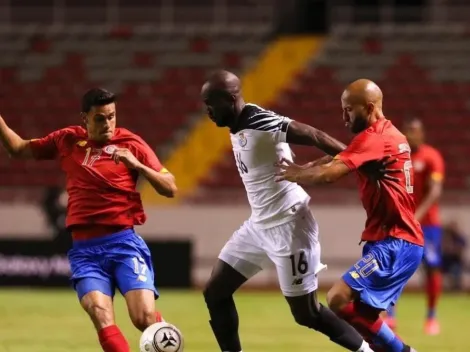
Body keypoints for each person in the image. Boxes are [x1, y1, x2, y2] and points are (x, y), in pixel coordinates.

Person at [201, 70, 396, 352]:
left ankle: (366, 351)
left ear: (231, 99)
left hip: (289, 226)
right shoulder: (237, 126)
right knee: (215, 293)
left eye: (211, 103)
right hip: (258, 226)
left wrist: (361, 163)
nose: (207, 111)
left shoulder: (259, 120)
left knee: (307, 314)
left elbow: (314, 134)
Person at [0, 88, 177, 352]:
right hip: (85, 251)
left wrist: (137, 166)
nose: (108, 124)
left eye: (112, 116)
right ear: (85, 118)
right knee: (99, 313)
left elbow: (170, 187)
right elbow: (18, 149)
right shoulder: (67, 140)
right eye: (100, 118)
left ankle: (166, 337)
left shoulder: (132, 144)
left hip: (124, 244)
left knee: (144, 319)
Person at [276, 79, 422, 352]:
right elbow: (341, 157)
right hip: (392, 240)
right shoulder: (388, 137)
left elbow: (331, 173)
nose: (343, 117)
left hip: (395, 241)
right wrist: (306, 166)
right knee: (364, 320)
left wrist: (296, 174)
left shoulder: (376, 138)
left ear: (369, 108)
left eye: (348, 110)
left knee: (338, 299)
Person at [385, 118, 445, 335]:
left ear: (422, 134)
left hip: (427, 224)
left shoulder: (431, 156)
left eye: (415, 130)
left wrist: (417, 216)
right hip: (401, 223)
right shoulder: (399, 156)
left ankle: (431, 316)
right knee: (394, 267)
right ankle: (390, 315)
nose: (412, 134)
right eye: (408, 130)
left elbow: (435, 191)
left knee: (431, 267)